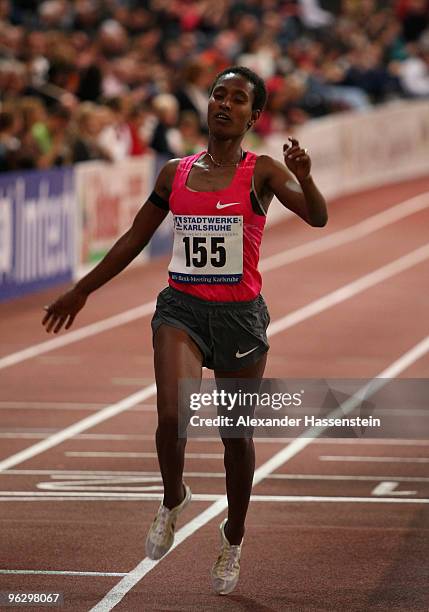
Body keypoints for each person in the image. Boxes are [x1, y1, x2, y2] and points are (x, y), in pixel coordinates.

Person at [42, 66, 327, 596]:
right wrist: (82, 289)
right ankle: (173, 497)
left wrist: (305, 176)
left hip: (240, 317)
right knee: (173, 412)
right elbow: (132, 237)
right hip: (182, 310)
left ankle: (233, 536)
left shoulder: (261, 172)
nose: (223, 103)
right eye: (218, 94)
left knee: (235, 437)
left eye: (238, 99)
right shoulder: (176, 172)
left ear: (253, 115)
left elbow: (317, 218)